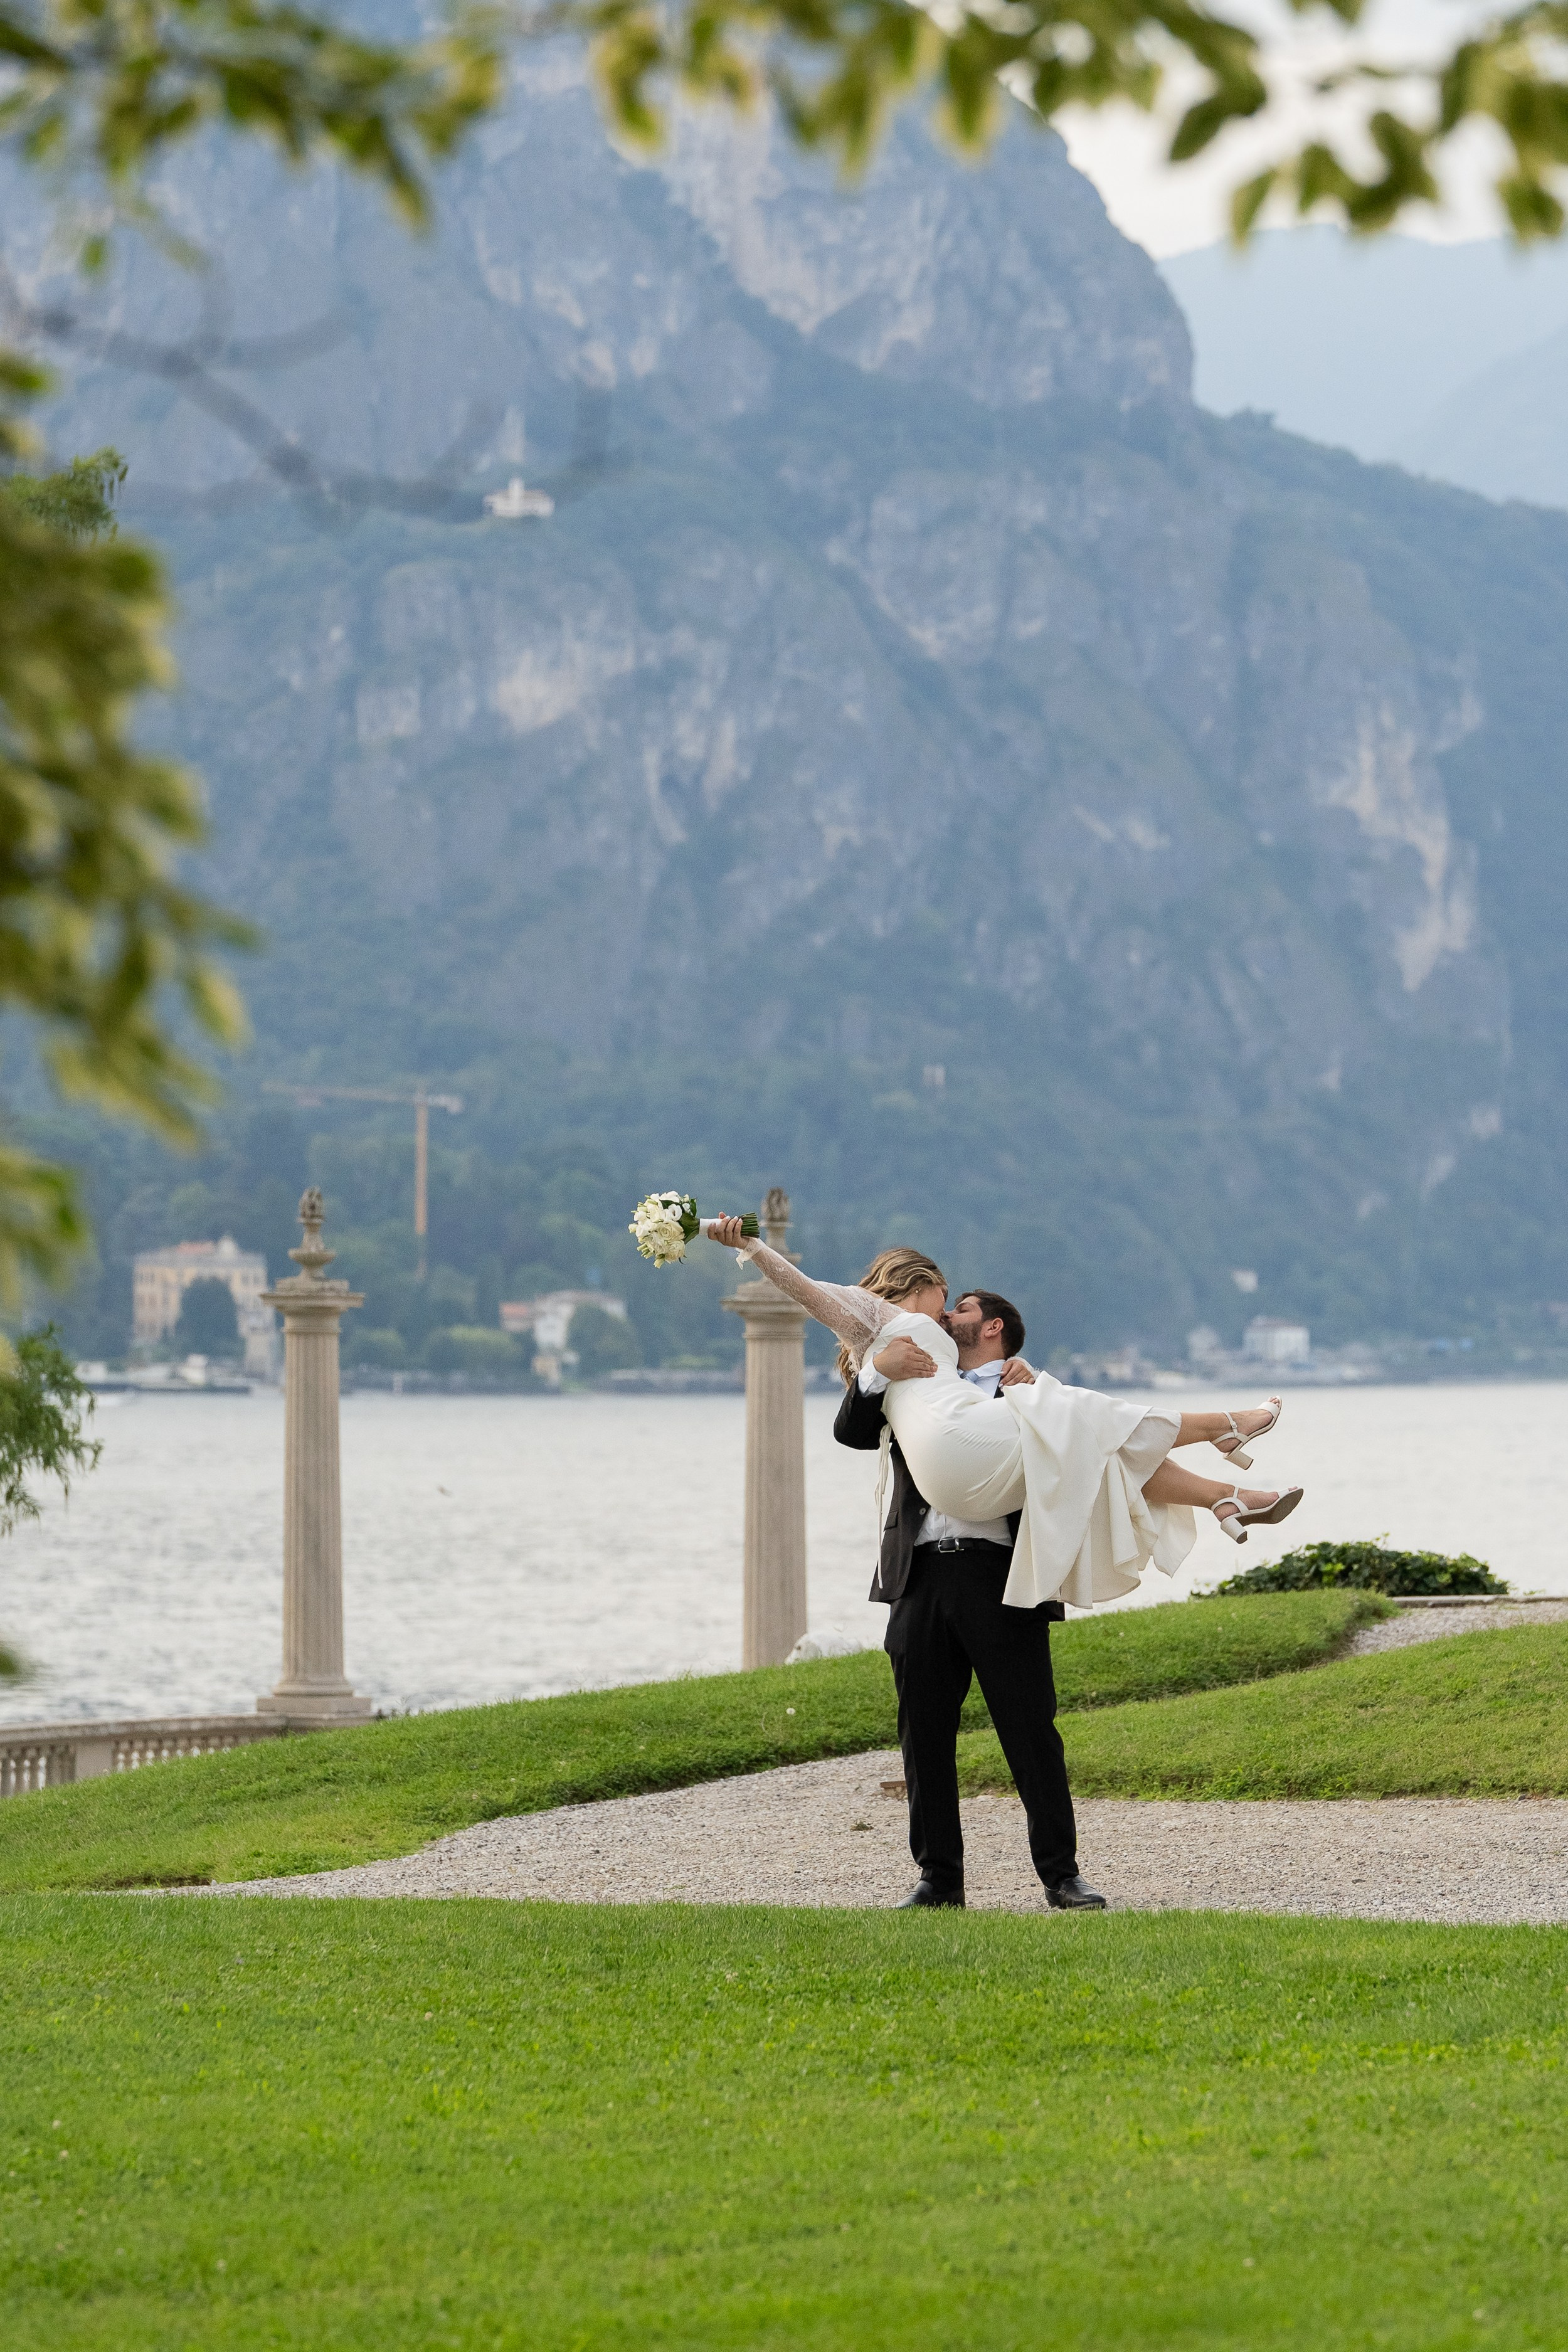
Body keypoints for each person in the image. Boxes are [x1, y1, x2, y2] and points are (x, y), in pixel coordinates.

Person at [701, 1221, 1301, 1910]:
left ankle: (1061, 1873)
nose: (951, 1309)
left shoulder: (1020, 1389)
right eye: (944, 1297)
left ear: (990, 1331)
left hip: (1000, 1573)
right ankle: (938, 1880)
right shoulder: (908, 1373)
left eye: (963, 1307)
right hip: (920, 1575)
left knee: (1029, 1729)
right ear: (917, 1291)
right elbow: (847, 1430)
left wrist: (1014, 1381)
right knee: (922, 1735)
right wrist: (876, 1371)